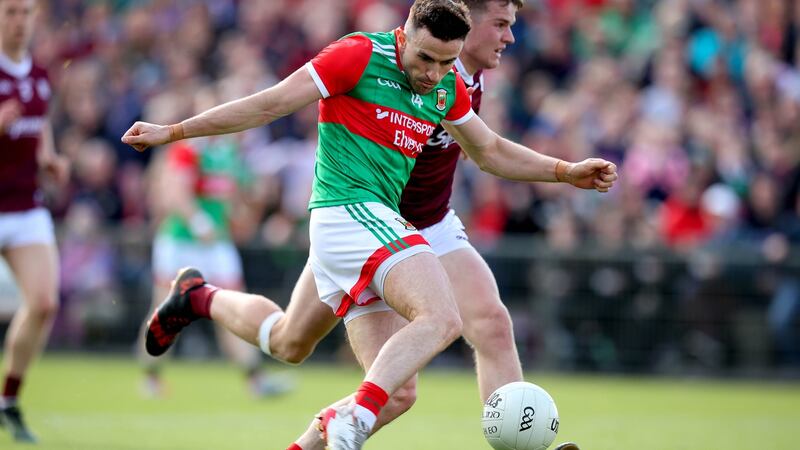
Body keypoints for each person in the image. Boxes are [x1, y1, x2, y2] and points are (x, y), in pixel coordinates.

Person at [122, 1, 617, 448]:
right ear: (404, 34)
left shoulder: (449, 83)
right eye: (426, 60)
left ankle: (197, 297)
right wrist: (174, 131)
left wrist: (564, 171)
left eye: (446, 63)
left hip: (393, 230)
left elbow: (489, 150)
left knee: (306, 349)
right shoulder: (358, 56)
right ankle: (355, 417)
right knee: (443, 319)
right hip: (360, 219)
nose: (433, 75)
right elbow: (270, 102)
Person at [139, 88, 290, 398]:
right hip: (181, 241)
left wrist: (247, 210)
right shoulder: (188, 149)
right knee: (165, 310)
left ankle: (255, 379)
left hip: (216, 243)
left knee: (234, 308)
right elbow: (173, 192)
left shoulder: (230, 152)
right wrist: (198, 221)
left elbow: (239, 196)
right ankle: (150, 375)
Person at [0, 0, 69, 443]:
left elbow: (39, 127)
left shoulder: (40, 75)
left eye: (26, 13)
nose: (20, 22)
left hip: (25, 207)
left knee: (44, 302)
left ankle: (9, 399)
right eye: (10, 13)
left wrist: (49, 159)